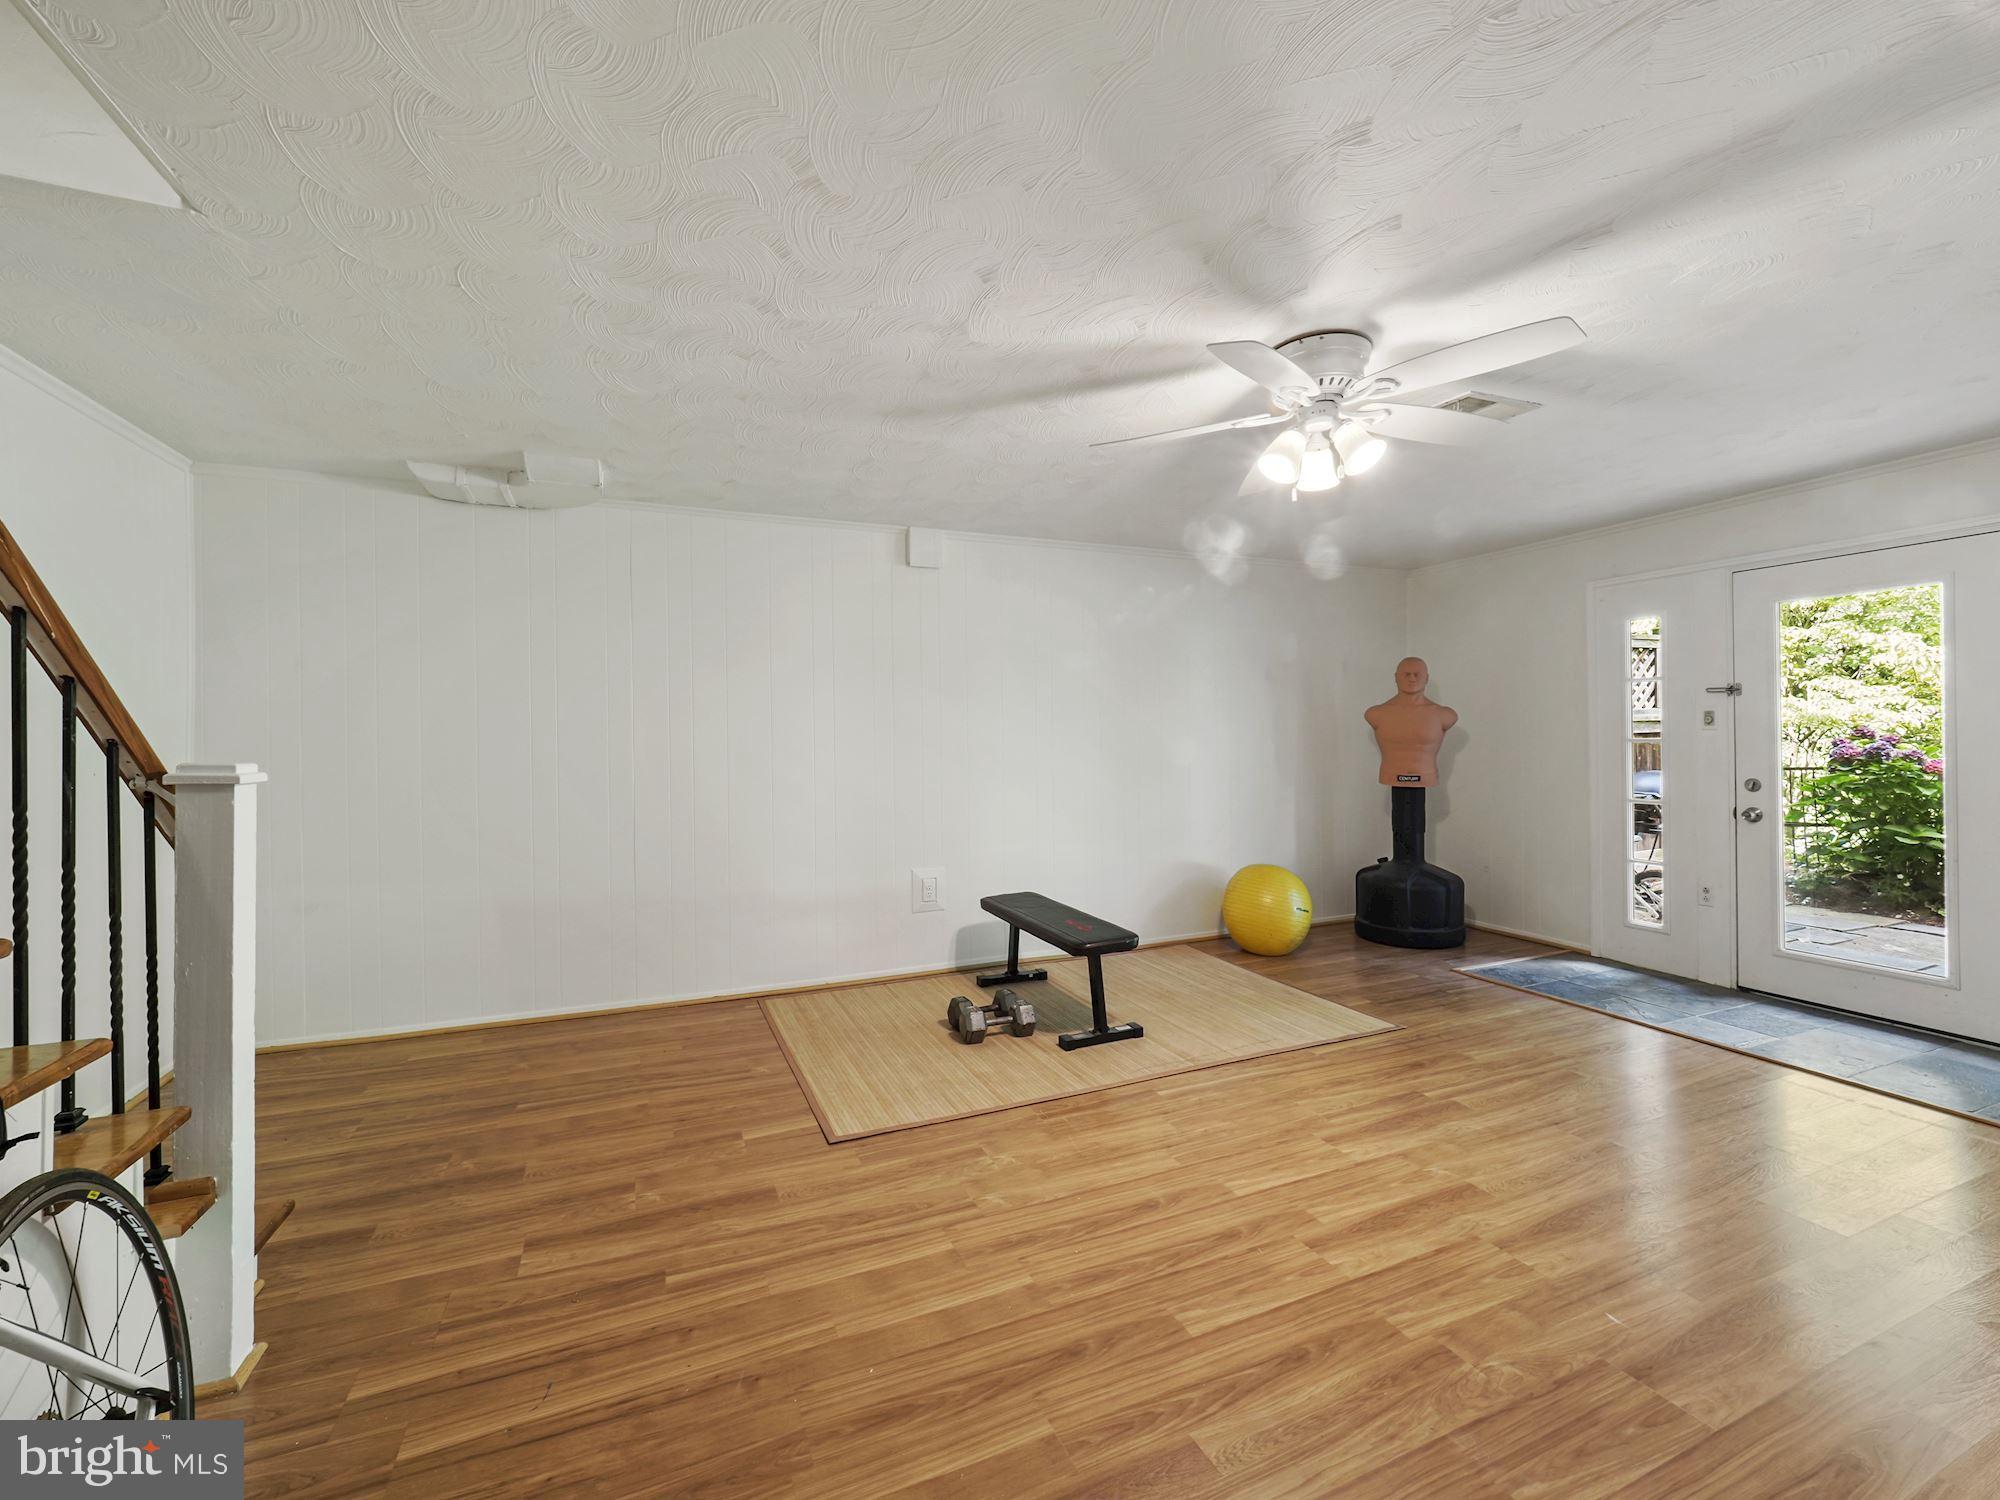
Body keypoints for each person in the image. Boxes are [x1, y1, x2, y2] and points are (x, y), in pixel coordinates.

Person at [1363, 657, 1457, 788]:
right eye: (1406, 674)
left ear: (1426, 678)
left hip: (1426, 775)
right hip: (1390, 774)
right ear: (1396, 677)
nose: (1412, 679)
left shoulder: (1444, 715)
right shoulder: (1376, 713)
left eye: (1417, 674)